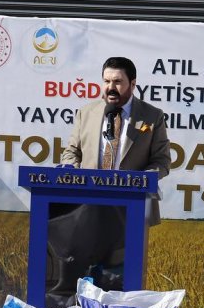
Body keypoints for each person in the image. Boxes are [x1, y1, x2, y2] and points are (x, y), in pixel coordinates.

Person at [61, 56, 171, 219]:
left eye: (117, 82)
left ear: (132, 84)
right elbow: (71, 152)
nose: (110, 87)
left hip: (132, 206)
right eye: (106, 81)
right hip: (87, 204)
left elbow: (162, 161)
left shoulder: (152, 116)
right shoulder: (86, 113)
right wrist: (72, 170)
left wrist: (141, 180)